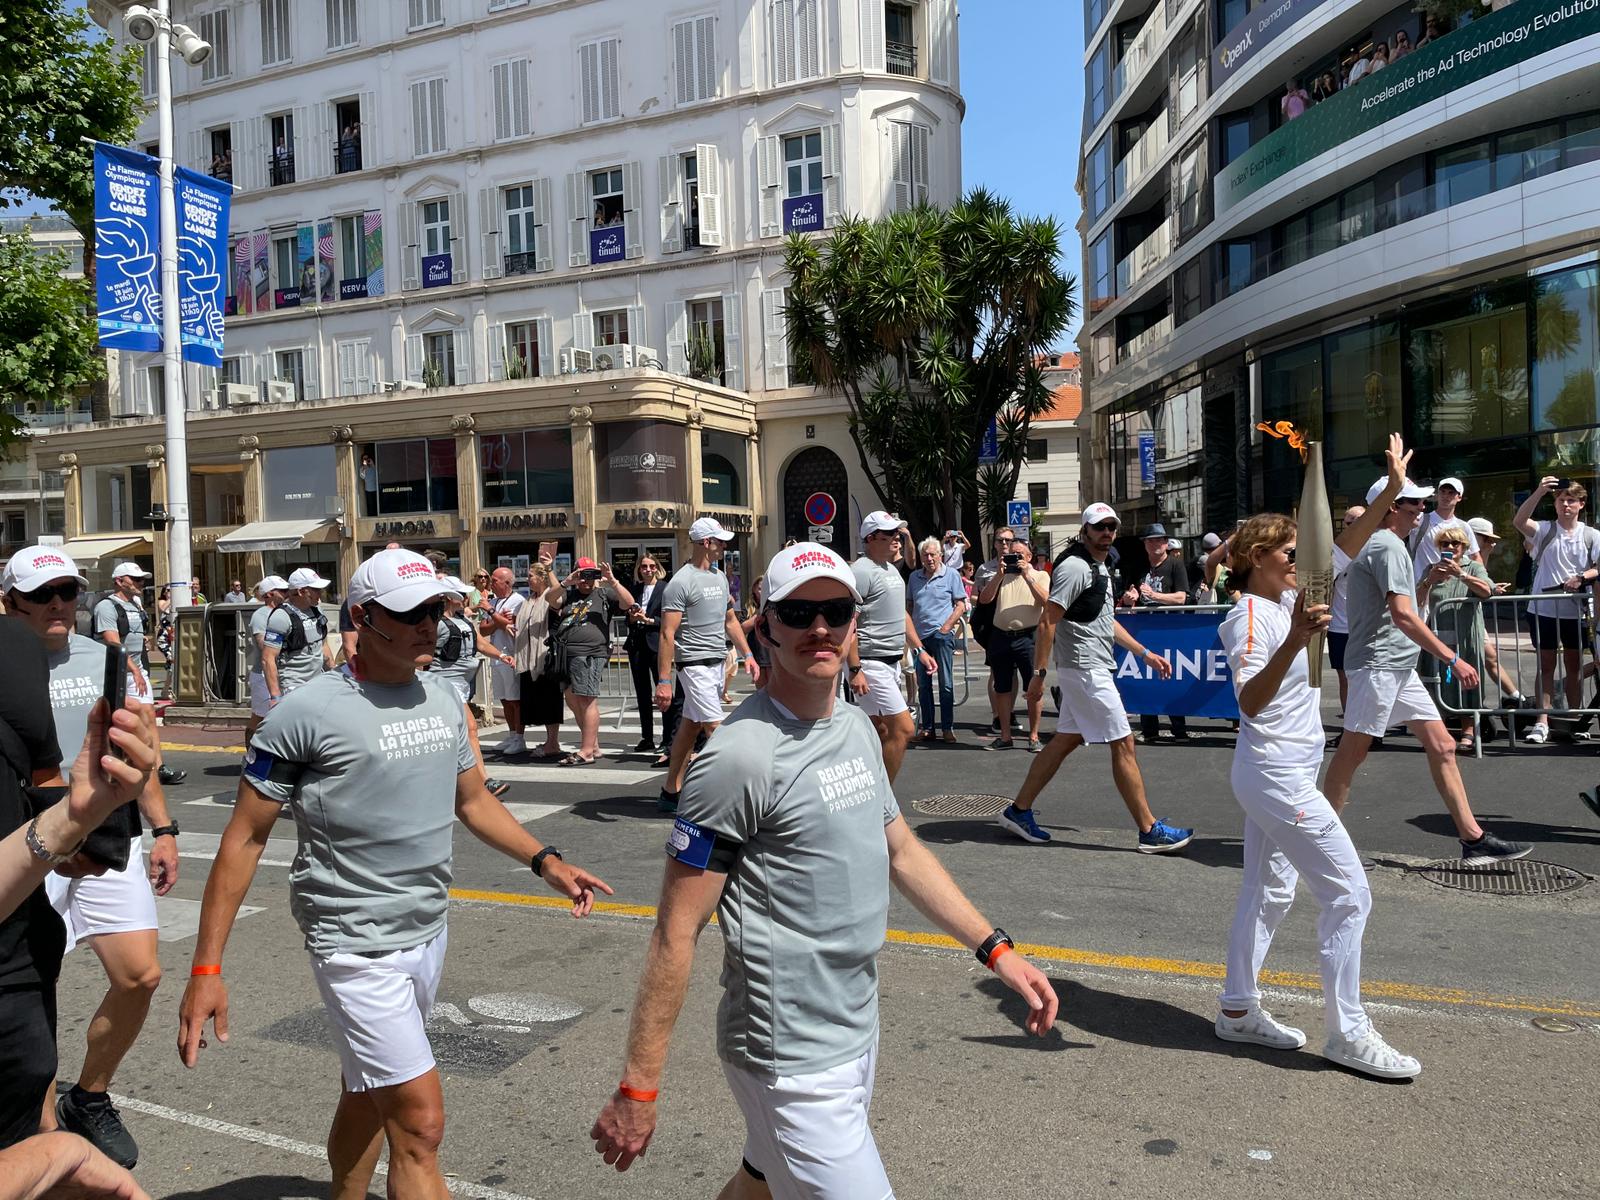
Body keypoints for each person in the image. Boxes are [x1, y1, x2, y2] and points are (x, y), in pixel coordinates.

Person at [589, 542, 1058, 1190]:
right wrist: (638, 1088)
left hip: (855, 1027)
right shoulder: (737, 759)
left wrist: (996, 949)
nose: (819, 628)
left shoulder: (856, 728)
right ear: (765, 626)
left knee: (762, 1181)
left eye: (835, 612)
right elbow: (675, 932)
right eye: (798, 613)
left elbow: (903, 849)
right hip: (789, 1052)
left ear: (853, 625)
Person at [178, 548, 612, 1200]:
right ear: (362, 616)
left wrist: (545, 861)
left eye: (435, 609)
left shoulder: (442, 698)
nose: (428, 625)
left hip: (425, 931)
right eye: (410, 613)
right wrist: (207, 970)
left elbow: (473, 802)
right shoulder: (304, 714)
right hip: (353, 943)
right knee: (419, 1122)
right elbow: (243, 839)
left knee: (366, 1093)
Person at [1215, 515, 1421, 1080]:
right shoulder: (1250, 617)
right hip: (1275, 774)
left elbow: (1335, 555)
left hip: (1285, 771)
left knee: (1268, 891)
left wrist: (1390, 495)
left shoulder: (1290, 600)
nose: (1297, 559)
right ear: (1256, 556)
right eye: (1285, 550)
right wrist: (1297, 639)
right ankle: (1348, 1032)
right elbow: (1251, 701)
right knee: (1350, 894)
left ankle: (1237, 1007)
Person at [3, 547, 178, 1166]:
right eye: (42, 594)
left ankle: (90, 1096)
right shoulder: (4, 665)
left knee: (140, 975)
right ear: (11, 602)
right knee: (32, 989)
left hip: (108, 838)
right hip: (28, 845)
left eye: (68, 592)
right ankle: (41, 1121)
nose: (57, 604)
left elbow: (137, 750)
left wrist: (162, 828)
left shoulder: (108, 659)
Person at [1322, 472, 1531, 863]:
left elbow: (1404, 609)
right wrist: (1452, 657)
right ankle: (1319, 838)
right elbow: (1402, 616)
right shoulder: (1385, 545)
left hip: (1397, 665)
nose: (1422, 508)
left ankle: (1473, 839)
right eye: (1414, 502)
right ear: (1389, 507)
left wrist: (1427, 585)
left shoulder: (1391, 544)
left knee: (1444, 745)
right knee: (1352, 753)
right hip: (1378, 665)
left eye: (1421, 502)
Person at [998, 505, 1195, 852]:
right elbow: (1048, 621)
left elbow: (1105, 621)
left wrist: (1144, 653)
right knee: (1124, 742)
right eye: (1099, 527)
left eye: (1111, 527)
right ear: (1085, 530)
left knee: (1065, 740)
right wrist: (1039, 676)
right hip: (1085, 668)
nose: (1106, 532)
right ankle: (1149, 830)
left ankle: (1018, 810)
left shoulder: (1099, 565)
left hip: (1092, 666)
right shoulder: (1075, 567)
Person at [654, 518, 759, 814]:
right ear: (705, 543)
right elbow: (667, 633)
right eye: (720, 541)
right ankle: (731, 798)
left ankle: (670, 791)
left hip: (716, 662)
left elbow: (730, 621)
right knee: (717, 730)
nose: (724, 546)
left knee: (689, 727)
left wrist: (747, 655)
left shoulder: (719, 576)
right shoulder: (680, 582)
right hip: (694, 664)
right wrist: (664, 681)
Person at [1511, 477, 1600, 745]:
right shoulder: (1545, 529)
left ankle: (1574, 719)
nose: (1565, 505)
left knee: (1574, 666)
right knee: (1546, 665)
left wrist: (1583, 577)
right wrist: (1539, 490)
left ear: (1581, 504)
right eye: (1561, 500)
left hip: (1576, 611)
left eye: (1571, 500)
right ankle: (1542, 721)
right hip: (1543, 609)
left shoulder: (1591, 535)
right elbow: (1519, 521)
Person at [848, 512, 937, 780]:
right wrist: (855, 669)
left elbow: (902, 614)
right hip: (870, 662)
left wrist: (919, 650)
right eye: (891, 536)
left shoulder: (891, 571)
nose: (896, 540)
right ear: (871, 538)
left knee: (879, 731)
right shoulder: (860, 572)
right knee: (904, 729)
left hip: (891, 662)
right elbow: (848, 622)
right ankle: (882, 799)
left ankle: (865, 787)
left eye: (898, 535)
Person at [92, 563, 182, 789]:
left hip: (137, 667)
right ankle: (115, 763)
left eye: (141, 579)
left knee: (148, 716)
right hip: (118, 670)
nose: (141, 583)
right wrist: (133, 670)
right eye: (135, 579)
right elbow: (112, 642)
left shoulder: (137, 604)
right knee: (121, 720)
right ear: (119, 580)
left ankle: (158, 766)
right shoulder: (106, 607)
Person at [544, 557, 634, 766]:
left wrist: (612, 580)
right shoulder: (569, 593)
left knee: (586, 699)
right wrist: (568, 581)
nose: (586, 579)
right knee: (572, 699)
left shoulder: (604, 594)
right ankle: (592, 745)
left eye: (590, 574)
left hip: (590, 653)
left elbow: (629, 603)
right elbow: (550, 599)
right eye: (582, 574)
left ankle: (586, 751)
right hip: (567, 654)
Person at [429, 577, 513, 798]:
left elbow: (481, 644)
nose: (467, 597)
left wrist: (503, 655)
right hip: (445, 684)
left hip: (461, 684)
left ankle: (447, 779)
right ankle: (483, 780)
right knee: (470, 728)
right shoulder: (436, 624)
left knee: (451, 733)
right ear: (449, 597)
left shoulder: (462, 620)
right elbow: (422, 654)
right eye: (462, 594)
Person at [1419, 527, 1494, 751]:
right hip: (1438, 634)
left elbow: (1486, 591)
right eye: (1445, 544)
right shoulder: (1431, 568)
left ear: (1464, 547)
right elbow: (1415, 599)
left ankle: (1468, 732)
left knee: (1467, 682)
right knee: (1436, 681)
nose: (1450, 548)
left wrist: (1461, 574)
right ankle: (1439, 732)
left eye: (1455, 544)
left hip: (1465, 634)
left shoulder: (1474, 567)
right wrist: (1428, 581)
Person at [975, 530, 1050, 750]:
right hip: (1000, 636)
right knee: (1002, 687)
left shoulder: (1040, 575)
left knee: (1034, 689)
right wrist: (998, 575)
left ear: (1029, 557)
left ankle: (1033, 736)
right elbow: (985, 600)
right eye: (1012, 554)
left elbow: (1045, 600)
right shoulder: (1001, 576)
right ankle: (1005, 736)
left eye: (1019, 555)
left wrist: (1027, 576)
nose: (1014, 558)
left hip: (1028, 637)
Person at [1124, 523, 1190, 742]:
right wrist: (1130, 597)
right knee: (1145, 676)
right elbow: (1129, 593)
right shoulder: (1137, 566)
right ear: (1144, 544)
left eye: (1159, 540)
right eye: (1150, 540)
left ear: (1166, 543)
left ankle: (1179, 728)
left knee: (1171, 676)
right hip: (1144, 628)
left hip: (1170, 628)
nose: (1155, 544)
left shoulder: (1175, 565)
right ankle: (1149, 728)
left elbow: (1182, 597)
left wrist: (1155, 596)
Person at [908, 536, 968, 743]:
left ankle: (948, 728)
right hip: (919, 639)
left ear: (940, 555)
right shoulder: (914, 577)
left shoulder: (951, 575)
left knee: (946, 684)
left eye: (933, 554)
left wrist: (946, 628)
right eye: (925, 555)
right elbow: (909, 606)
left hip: (941, 636)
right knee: (923, 686)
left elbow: (960, 604)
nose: (929, 558)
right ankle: (928, 728)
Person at [260, 567, 334, 711]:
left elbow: (322, 645)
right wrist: (275, 697)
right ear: (301, 591)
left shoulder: (317, 610)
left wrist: (334, 672)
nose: (320, 593)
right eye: (315, 589)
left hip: (318, 683)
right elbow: (268, 659)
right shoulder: (281, 617)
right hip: (294, 686)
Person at [512, 562, 565, 761]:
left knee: (550, 699)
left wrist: (550, 570)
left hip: (544, 657)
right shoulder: (528, 600)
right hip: (527, 657)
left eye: (531, 576)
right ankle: (548, 741)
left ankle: (553, 742)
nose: (527, 579)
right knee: (534, 700)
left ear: (542, 578)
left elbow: (558, 597)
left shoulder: (549, 597)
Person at [479, 567, 526, 755]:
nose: (491, 583)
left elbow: (512, 626)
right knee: (505, 699)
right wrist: (497, 619)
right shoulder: (494, 601)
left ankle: (520, 738)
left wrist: (492, 614)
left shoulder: (518, 601)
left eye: (495, 580)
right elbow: (483, 630)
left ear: (507, 582)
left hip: (511, 655)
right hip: (496, 655)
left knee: (515, 700)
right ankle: (512, 734)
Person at [624, 556, 665, 754]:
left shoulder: (665, 589)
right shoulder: (635, 589)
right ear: (639, 570)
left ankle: (667, 738)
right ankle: (647, 737)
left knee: (663, 692)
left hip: (656, 644)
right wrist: (633, 618)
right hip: (637, 644)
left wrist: (648, 619)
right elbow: (627, 618)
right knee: (642, 693)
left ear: (657, 568)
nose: (647, 570)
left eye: (651, 566)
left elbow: (667, 619)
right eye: (644, 567)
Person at [1409, 476, 1480, 580]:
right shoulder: (1420, 519)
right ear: (1437, 495)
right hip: (1423, 586)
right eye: (1442, 492)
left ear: (1459, 497)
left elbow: (1475, 557)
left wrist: (1485, 583)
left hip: (1453, 589)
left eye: (1451, 493)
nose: (1445, 496)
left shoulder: (1463, 526)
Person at [244, 577, 288, 741]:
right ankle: (251, 753)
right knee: (260, 717)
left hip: (282, 673)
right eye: (282, 591)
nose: (286, 594)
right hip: (263, 676)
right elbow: (264, 644)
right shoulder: (260, 616)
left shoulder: (286, 611)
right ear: (269, 594)